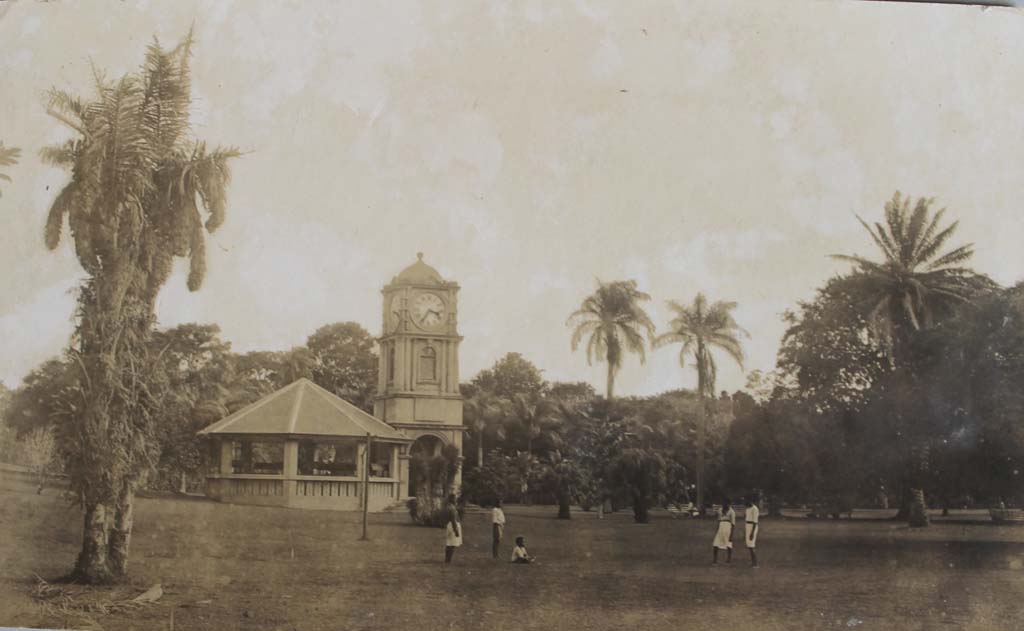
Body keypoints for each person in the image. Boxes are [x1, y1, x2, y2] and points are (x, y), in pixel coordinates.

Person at [712, 496, 735, 565]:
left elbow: (733, 524)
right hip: (721, 527)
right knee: (715, 544)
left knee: (728, 544)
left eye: (727, 504)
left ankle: (729, 559)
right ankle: (715, 560)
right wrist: (717, 530)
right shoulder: (720, 510)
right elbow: (718, 521)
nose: (726, 505)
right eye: (724, 503)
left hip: (728, 527)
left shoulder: (732, 511)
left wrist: (731, 534)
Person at [444, 493, 462, 564]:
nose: (456, 500)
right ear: (452, 499)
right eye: (455, 499)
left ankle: (447, 559)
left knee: (449, 543)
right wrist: (456, 530)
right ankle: (448, 560)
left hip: (449, 525)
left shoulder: (449, 507)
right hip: (452, 525)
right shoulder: (452, 508)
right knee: (452, 543)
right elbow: (453, 520)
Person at [744, 495, 760, 568]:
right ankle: (753, 562)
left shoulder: (755, 509)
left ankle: (755, 563)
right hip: (747, 526)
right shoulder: (747, 508)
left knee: (751, 545)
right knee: (749, 546)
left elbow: (755, 522)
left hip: (752, 527)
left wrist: (752, 533)